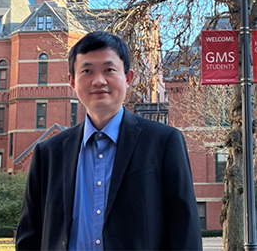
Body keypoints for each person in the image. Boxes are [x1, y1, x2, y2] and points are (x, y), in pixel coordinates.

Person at [16, 31, 202, 251]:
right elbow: (29, 236)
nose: (99, 80)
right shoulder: (48, 153)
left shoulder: (163, 143)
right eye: (87, 71)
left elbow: (184, 231)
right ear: (72, 82)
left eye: (109, 70)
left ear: (128, 78)